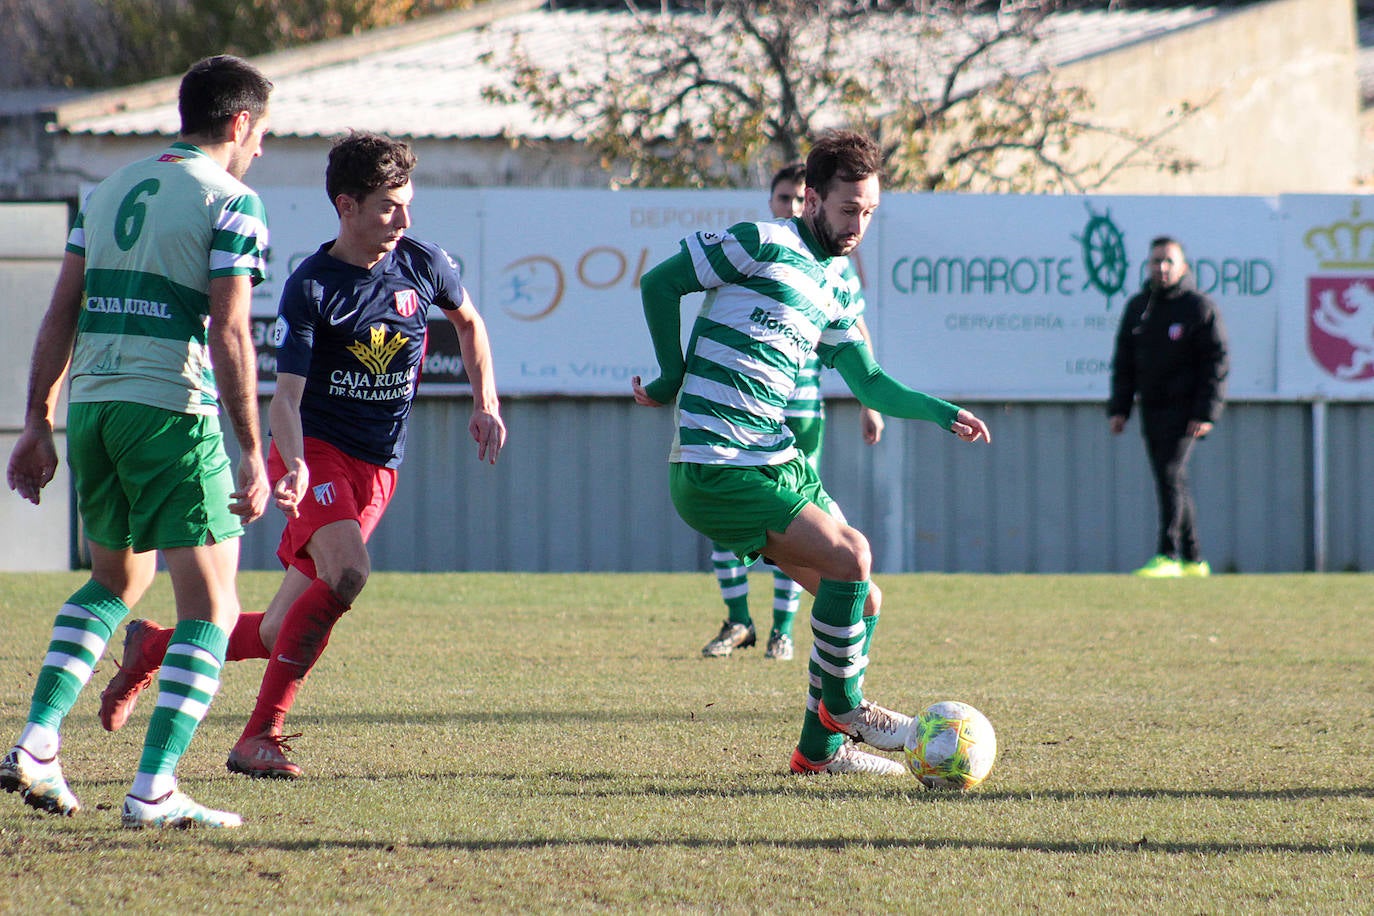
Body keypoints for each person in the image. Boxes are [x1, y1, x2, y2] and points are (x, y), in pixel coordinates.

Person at [96, 130, 506, 780]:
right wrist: (292, 462)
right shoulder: (312, 288)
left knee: (271, 631)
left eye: (406, 203)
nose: (403, 219)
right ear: (346, 206)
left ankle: (153, 647)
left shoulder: (423, 264)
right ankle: (260, 736)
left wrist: (485, 402)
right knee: (347, 574)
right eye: (387, 207)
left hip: (377, 469)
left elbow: (470, 323)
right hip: (314, 456)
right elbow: (285, 397)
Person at [632, 130, 991, 776]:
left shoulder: (837, 284)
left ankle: (817, 754)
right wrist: (667, 377)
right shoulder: (759, 242)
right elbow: (660, 284)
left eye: (870, 213)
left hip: (775, 455)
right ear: (811, 200)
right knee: (853, 557)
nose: (858, 225)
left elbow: (870, 382)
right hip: (715, 465)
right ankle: (847, 709)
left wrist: (945, 414)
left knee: (862, 598)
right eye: (848, 210)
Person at [2, 56, 274, 828]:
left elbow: (61, 310)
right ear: (240, 124)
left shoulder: (107, 188)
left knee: (117, 581)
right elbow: (228, 330)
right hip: (169, 411)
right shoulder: (233, 201)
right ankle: (153, 789)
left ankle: (38, 743)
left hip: (94, 410)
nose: (257, 152)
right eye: (259, 137)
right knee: (213, 608)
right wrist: (252, 451)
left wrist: (36, 421)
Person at [703, 162, 885, 662]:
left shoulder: (836, 264)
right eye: (782, 198)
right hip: (743, 412)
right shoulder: (761, 250)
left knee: (803, 527)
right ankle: (738, 620)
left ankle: (783, 630)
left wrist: (870, 403)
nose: (788, 206)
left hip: (801, 409)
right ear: (779, 202)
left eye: (794, 198)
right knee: (732, 521)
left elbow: (855, 335)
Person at [1108, 235, 1228, 578]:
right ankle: (1194, 560)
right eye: (1155, 261)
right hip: (1152, 408)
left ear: (1183, 267)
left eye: (1168, 261)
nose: (1161, 267)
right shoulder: (1139, 306)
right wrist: (1120, 409)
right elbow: (1124, 362)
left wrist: (1206, 412)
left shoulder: (1198, 308)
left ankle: (1168, 554)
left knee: (1170, 474)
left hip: (1187, 411)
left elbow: (1216, 364)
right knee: (1171, 477)